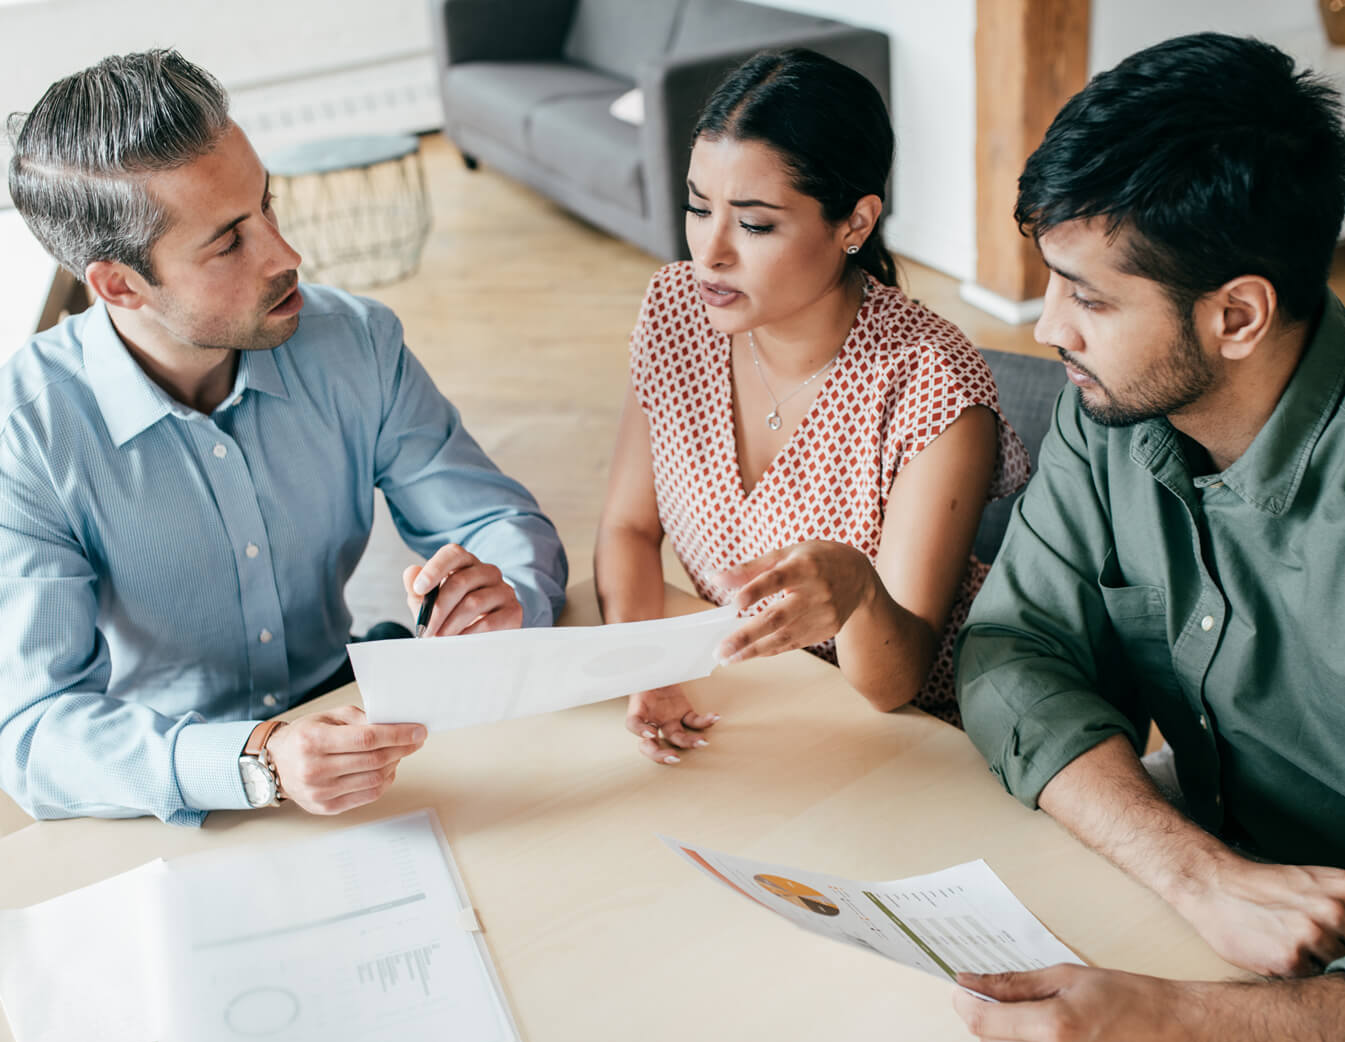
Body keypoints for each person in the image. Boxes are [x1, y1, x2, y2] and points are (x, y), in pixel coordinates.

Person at [953, 32, 1345, 1042]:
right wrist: (1194, 873)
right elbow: (1015, 651)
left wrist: (1193, 1036)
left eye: (1089, 297)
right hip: (1211, 911)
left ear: (1237, 316)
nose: (1049, 329)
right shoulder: (1114, 409)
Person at [0, 50, 567, 826]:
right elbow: (36, 731)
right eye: (229, 242)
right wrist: (257, 759)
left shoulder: (357, 342)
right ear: (120, 285)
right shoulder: (25, 431)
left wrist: (505, 598)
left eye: (267, 206)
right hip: (170, 789)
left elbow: (498, 523)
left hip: (362, 726)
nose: (285, 256)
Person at [595, 49, 1028, 762]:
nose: (711, 252)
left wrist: (856, 592)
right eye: (699, 208)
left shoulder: (933, 381)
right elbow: (626, 527)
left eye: (756, 225)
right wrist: (650, 669)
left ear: (854, 223)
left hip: (913, 738)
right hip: (753, 702)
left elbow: (897, 682)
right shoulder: (677, 310)